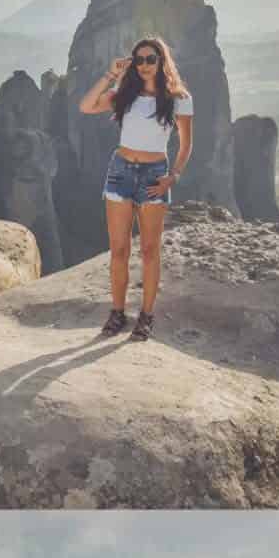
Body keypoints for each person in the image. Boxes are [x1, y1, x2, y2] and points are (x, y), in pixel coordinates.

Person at [79, 37, 193, 339]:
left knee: (150, 250)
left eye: (150, 59)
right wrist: (111, 75)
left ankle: (146, 316)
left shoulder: (179, 97)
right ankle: (117, 313)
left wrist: (174, 175)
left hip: (154, 174)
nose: (144, 65)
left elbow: (186, 143)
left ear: (161, 61)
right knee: (118, 250)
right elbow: (86, 105)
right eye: (139, 59)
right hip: (120, 172)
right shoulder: (123, 95)